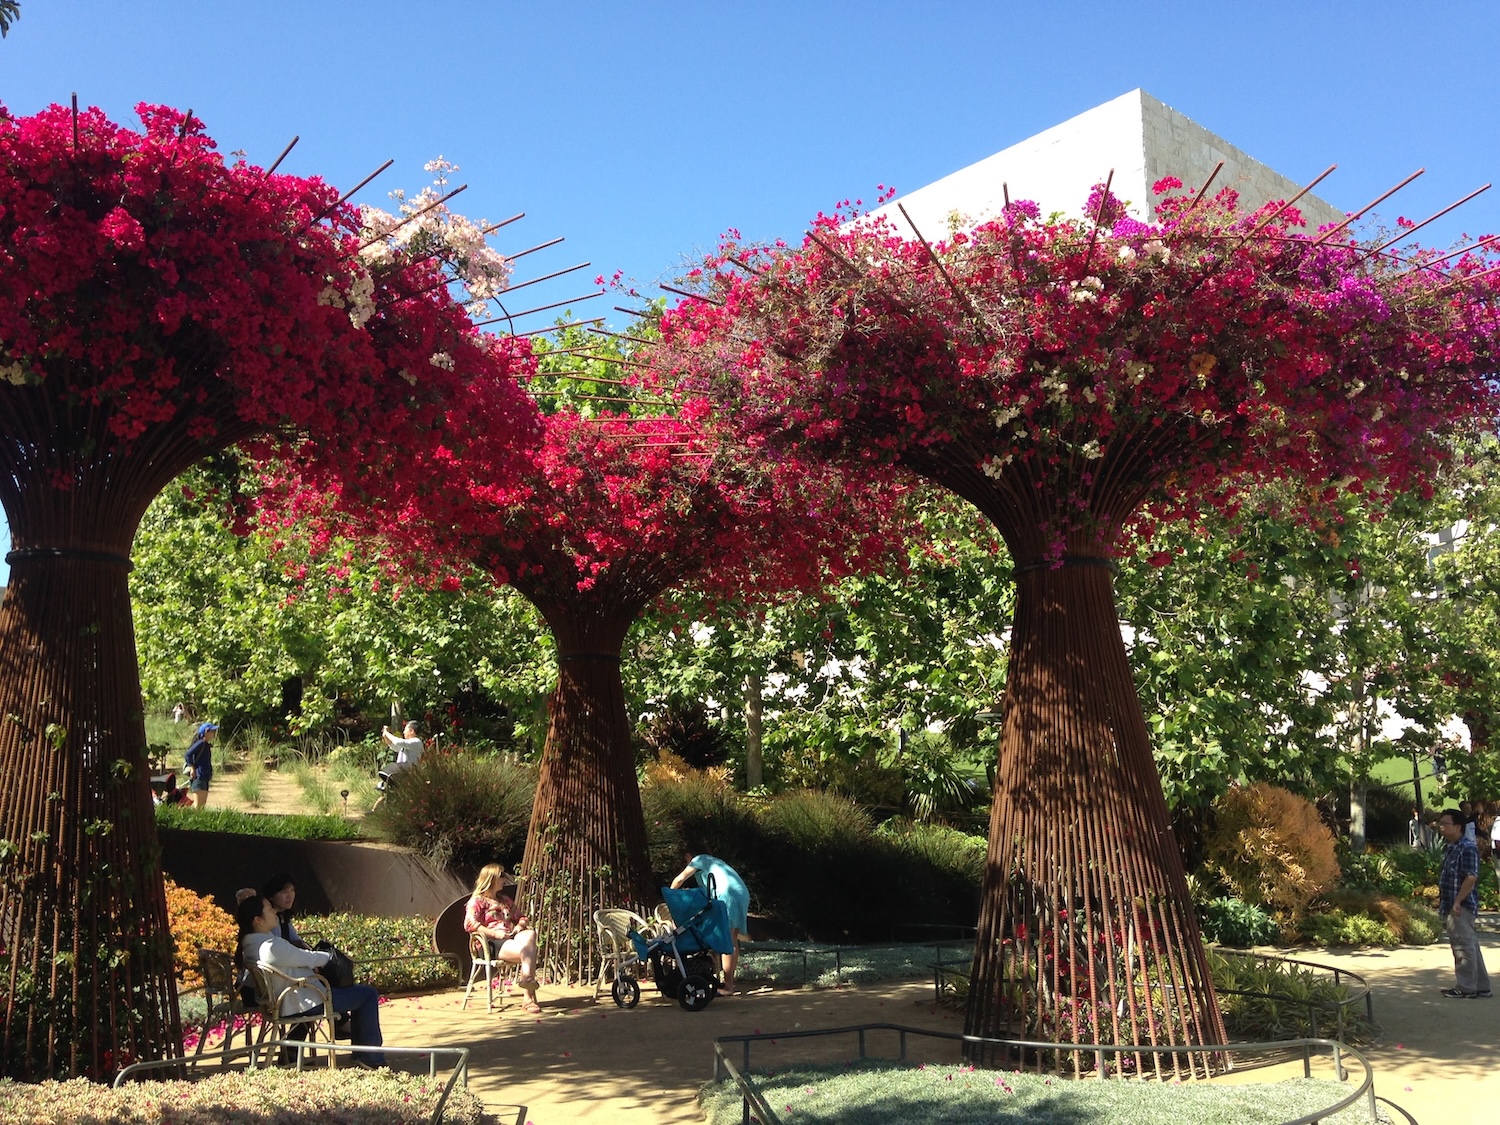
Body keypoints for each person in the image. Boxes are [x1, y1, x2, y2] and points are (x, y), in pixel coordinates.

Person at [236, 893, 386, 1066]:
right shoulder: (270, 947)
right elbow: (307, 958)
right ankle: (370, 1058)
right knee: (367, 994)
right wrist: (330, 957)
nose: (274, 912)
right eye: (269, 909)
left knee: (359, 994)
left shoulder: (251, 945)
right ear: (258, 920)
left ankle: (362, 1053)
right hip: (304, 1000)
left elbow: (298, 958)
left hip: (287, 999)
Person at [463, 863, 541, 1014]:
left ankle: (526, 979)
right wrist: (494, 934)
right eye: (501, 876)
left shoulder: (505, 900)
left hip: (510, 939)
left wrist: (519, 926)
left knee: (530, 934)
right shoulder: (478, 901)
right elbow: (469, 923)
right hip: (490, 943)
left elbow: (522, 917)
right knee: (530, 952)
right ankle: (528, 997)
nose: (504, 879)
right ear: (491, 879)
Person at [670, 852, 749, 996]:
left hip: (729, 895)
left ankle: (728, 986)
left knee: (727, 939)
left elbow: (680, 879)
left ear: (689, 855)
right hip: (741, 892)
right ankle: (729, 981)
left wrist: (671, 897)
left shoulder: (698, 859)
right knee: (732, 939)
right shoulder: (714, 862)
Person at [1435, 808, 1491, 999]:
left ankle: (1466, 987)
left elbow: (1471, 877)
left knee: (1462, 946)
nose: (1441, 827)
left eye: (1445, 823)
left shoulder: (1466, 847)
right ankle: (1481, 986)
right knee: (1470, 945)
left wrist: (1458, 901)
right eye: (1440, 823)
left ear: (1458, 826)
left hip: (1461, 906)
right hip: (1453, 903)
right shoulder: (1453, 847)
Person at [378, 721, 424, 790]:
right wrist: (385, 735)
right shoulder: (408, 744)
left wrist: (387, 733)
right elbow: (394, 746)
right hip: (402, 772)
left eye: (405, 730)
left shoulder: (416, 742)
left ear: (411, 731)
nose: (403, 732)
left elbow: (398, 742)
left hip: (409, 772)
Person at [183, 722, 217, 809]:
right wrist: (192, 767)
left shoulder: (206, 745)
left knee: (201, 806)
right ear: (206, 732)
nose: (214, 733)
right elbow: (188, 754)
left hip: (204, 776)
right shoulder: (201, 743)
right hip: (199, 776)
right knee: (198, 806)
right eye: (212, 731)